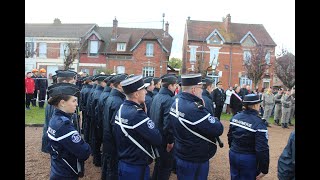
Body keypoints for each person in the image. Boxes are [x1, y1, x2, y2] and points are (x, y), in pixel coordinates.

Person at [169, 73, 223, 179]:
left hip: (181, 152)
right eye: (200, 88)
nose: (202, 90)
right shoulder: (194, 109)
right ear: (194, 90)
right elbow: (218, 129)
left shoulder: (175, 101)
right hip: (196, 157)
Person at [114, 75, 162, 180]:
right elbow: (157, 138)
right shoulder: (137, 114)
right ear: (136, 94)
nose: (145, 92)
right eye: (143, 90)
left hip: (125, 162)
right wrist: (145, 116)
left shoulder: (122, 108)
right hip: (136, 166)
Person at [46, 83, 91, 180]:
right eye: (74, 101)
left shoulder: (56, 118)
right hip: (66, 173)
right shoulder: (64, 125)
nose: (77, 104)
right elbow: (84, 152)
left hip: (59, 169)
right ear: (62, 103)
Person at [227, 94, 269, 180]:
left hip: (234, 154)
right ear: (255, 105)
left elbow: (230, 136)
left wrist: (234, 149)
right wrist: (264, 169)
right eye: (258, 104)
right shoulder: (259, 123)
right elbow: (262, 148)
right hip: (248, 158)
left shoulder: (235, 117)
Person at [41, 70, 78, 153]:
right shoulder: (60, 96)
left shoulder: (56, 92)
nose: (74, 83)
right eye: (72, 81)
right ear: (65, 81)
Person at [150, 74, 178, 180]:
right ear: (170, 86)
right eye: (175, 85)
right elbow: (168, 124)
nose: (176, 87)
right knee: (165, 168)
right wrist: (170, 142)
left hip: (156, 137)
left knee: (159, 165)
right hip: (164, 140)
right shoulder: (169, 100)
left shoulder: (156, 96)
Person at [102, 74, 128, 180]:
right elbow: (117, 128)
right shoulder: (118, 102)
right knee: (113, 169)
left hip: (109, 139)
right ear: (120, 86)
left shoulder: (112, 97)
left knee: (109, 166)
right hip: (114, 141)